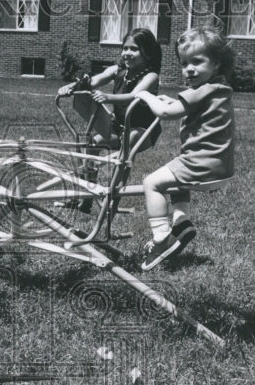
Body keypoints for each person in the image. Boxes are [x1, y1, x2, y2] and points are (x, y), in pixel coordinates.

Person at [131, 18, 235, 270]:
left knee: (151, 183)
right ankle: (181, 222)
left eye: (197, 62)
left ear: (216, 63)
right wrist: (168, 100)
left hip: (202, 164)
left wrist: (145, 95)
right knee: (175, 180)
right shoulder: (219, 88)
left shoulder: (203, 90)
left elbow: (166, 114)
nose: (189, 69)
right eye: (184, 63)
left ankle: (162, 238)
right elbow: (183, 106)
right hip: (219, 165)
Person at [57, 28, 163, 211]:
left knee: (127, 146)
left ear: (148, 53)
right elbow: (92, 82)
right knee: (92, 144)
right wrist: (72, 87)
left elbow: (134, 96)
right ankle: (87, 199)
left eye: (134, 49)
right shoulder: (117, 70)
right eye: (125, 48)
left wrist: (108, 97)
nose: (127, 53)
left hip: (143, 130)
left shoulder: (151, 76)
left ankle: (112, 201)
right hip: (120, 126)